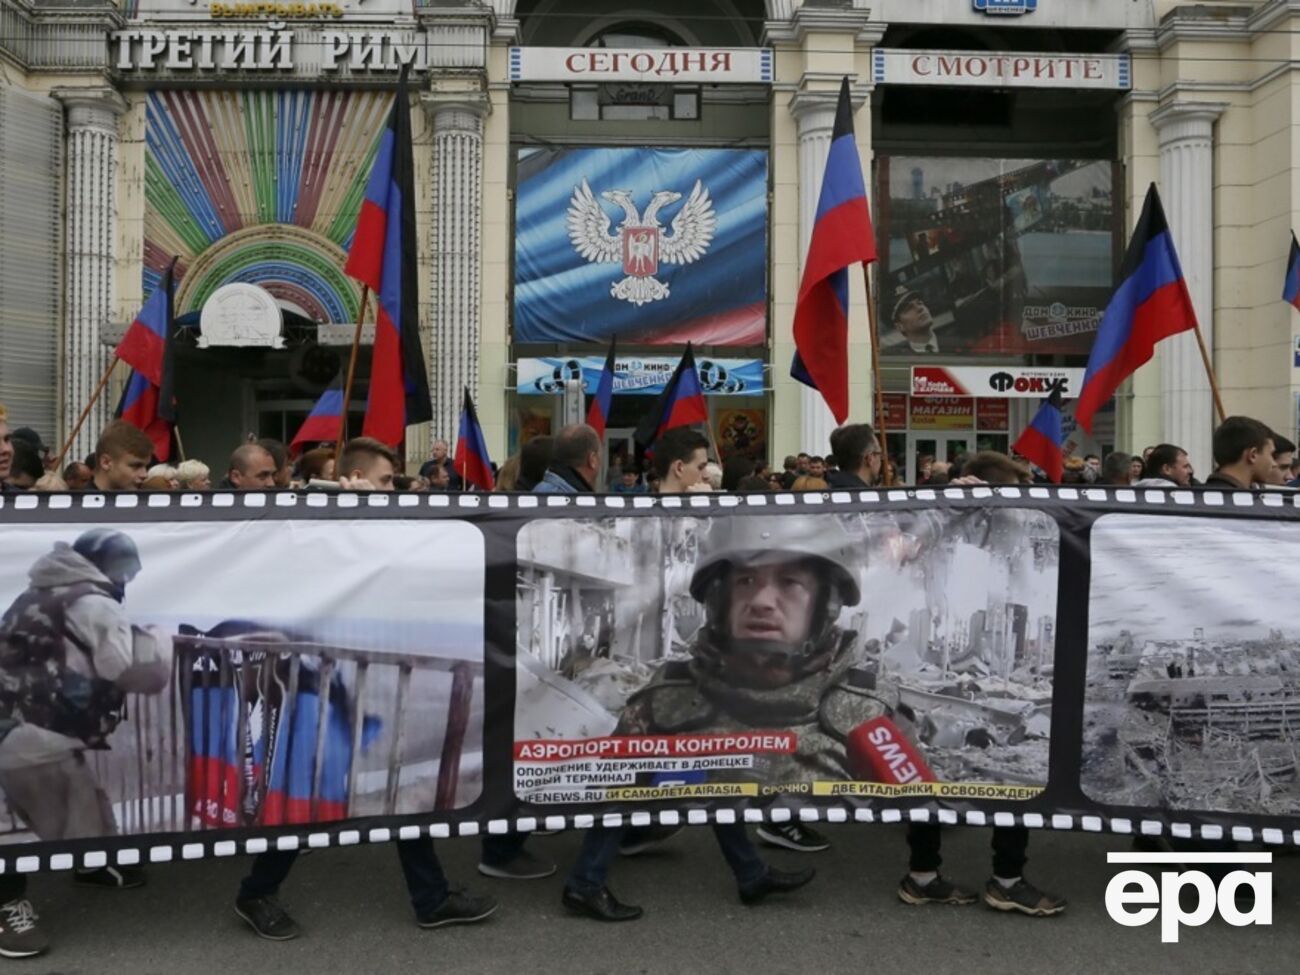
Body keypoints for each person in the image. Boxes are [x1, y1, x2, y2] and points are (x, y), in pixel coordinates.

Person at [234, 438, 502, 941]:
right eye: (383, 482)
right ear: (353, 478)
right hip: (317, 689)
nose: (391, 491)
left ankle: (432, 898)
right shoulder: (313, 526)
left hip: (365, 684)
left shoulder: (382, 528)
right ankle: (256, 892)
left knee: (403, 796)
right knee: (307, 794)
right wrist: (338, 509)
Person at [560, 486, 823, 923]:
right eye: (701, 468)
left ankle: (750, 874)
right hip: (681, 692)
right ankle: (585, 883)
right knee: (630, 780)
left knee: (720, 777)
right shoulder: (683, 517)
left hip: (706, 685)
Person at [0, 530, 173, 957]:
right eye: (126, 574)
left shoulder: (42, 590)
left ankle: (90, 862)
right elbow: (125, 671)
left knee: (85, 815)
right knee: (15, 832)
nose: (127, 582)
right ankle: (6, 907)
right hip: (32, 735)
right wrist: (157, 643)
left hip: (18, 722)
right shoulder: (96, 603)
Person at [1203, 416, 1275, 489]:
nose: (1274, 464)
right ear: (1253, 455)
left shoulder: (1199, 496)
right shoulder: (1248, 499)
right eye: (1271, 454)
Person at [536, 425, 602, 494]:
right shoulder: (566, 499)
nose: (600, 462)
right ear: (592, 460)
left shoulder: (541, 491)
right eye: (599, 456)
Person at [90, 421, 152, 492]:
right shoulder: (77, 502)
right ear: (106, 463)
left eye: (146, 466)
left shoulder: (152, 501)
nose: (145, 475)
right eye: (136, 466)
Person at [827, 424, 883, 490]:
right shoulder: (868, 498)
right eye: (879, 454)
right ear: (870, 458)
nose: (881, 460)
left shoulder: (826, 490)